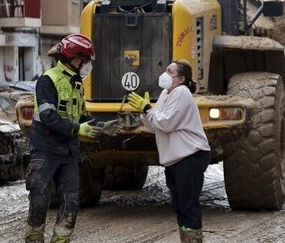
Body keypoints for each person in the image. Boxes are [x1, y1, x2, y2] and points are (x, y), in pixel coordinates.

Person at [24, 34, 120, 243]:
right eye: (86, 61)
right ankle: (33, 239)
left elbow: (82, 116)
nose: (88, 66)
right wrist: (78, 130)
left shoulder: (77, 84)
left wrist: (101, 126)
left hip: (68, 153)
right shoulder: (48, 80)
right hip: (45, 150)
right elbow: (49, 117)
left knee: (71, 202)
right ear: (75, 59)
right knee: (39, 199)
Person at [127, 59, 210, 243]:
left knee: (188, 206)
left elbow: (166, 123)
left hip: (190, 157)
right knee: (180, 206)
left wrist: (148, 109)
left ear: (181, 79)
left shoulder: (181, 92)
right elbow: (154, 124)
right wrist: (145, 112)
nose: (165, 74)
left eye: (170, 72)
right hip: (175, 160)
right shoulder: (166, 93)